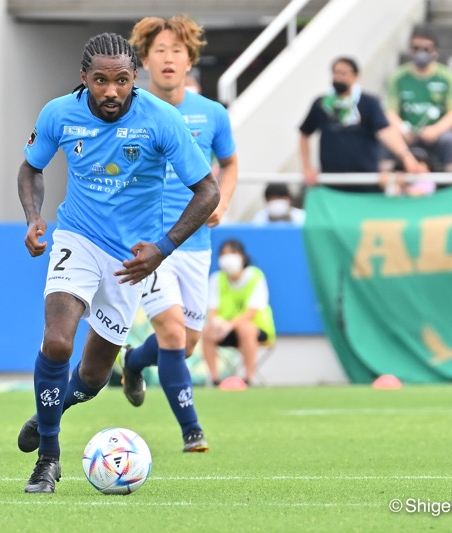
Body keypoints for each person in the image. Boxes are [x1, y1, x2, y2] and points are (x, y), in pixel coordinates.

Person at [15, 32, 220, 493]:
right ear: (83, 78)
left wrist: (162, 249)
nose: (111, 91)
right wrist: (33, 219)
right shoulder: (59, 114)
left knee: (91, 376)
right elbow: (31, 168)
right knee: (58, 342)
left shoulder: (161, 120)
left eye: (122, 80)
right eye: (101, 80)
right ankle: (49, 457)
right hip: (77, 238)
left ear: (134, 79)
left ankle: (54, 408)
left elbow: (208, 191)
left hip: (133, 259)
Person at [118, 15, 239, 453]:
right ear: (144, 60)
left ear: (190, 59)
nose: (168, 59)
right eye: (159, 51)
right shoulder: (129, 109)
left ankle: (133, 361)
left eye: (177, 51)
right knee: (170, 332)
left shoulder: (212, 114)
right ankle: (192, 431)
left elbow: (229, 165)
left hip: (196, 245)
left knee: (184, 345)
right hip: (147, 243)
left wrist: (221, 203)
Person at [299, 57, 426, 193]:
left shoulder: (369, 103)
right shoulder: (322, 104)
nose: (338, 77)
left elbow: (385, 131)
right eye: (335, 73)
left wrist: (406, 156)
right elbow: (305, 133)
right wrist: (307, 167)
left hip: (365, 179)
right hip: (332, 180)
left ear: (355, 76)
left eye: (343, 73)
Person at [384, 27, 452, 173]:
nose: (420, 53)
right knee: (387, 137)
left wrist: (435, 130)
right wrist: (403, 129)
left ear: (435, 51)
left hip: (437, 134)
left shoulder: (447, 76)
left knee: (450, 139)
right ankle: (384, 186)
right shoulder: (398, 77)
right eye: (416, 48)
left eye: (426, 49)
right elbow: (389, 111)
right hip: (406, 133)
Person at [201, 239, 275, 386]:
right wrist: (217, 324)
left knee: (245, 328)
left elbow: (252, 312)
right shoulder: (216, 279)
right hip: (225, 330)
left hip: (257, 329)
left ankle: (248, 378)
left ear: (242, 257)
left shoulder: (255, 276)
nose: (228, 258)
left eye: (232, 253)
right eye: (223, 254)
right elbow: (212, 311)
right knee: (207, 330)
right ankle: (215, 379)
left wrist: (229, 325)